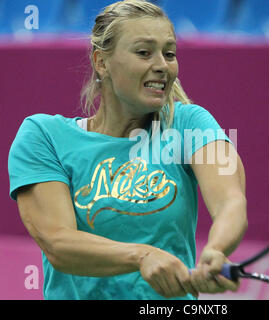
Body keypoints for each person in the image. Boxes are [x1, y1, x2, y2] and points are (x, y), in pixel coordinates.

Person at [8, 0, 248, 300]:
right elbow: (59, 242)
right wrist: (141, 256)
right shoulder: (44, 136)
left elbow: (230, 201)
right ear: (101, 62)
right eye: (144, 52)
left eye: (169, 53)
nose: (162, 65)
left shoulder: (189, 123)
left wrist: (216, 249)